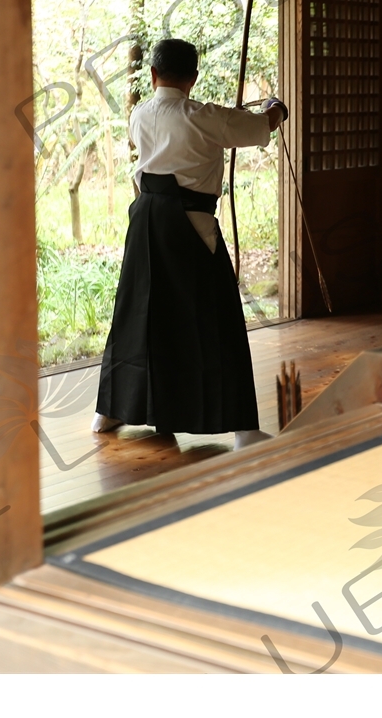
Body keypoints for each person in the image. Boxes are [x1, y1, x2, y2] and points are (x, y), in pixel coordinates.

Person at [92, 37, 287, 446]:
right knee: (216, 320)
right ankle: (243, 430)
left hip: (145, 220)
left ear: (153, 74)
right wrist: (275, 110)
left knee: (136, 315)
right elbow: (258, 127)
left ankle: (110, 411)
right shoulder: (204, 115)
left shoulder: (139, 114)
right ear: (193, 79)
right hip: (191, 226)